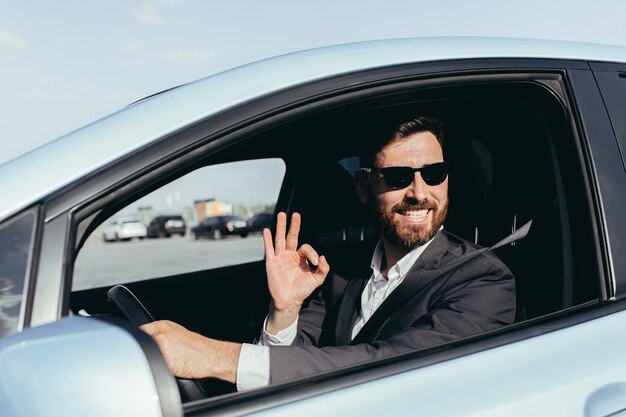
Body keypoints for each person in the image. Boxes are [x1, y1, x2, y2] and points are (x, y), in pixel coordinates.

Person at [141, 116, 516, 391]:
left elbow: (395, 365)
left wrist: (215, 356)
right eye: (399, 178)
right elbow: (296, 364)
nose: (420, 193)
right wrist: (284, 311)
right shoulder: (339, 271)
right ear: (363, 188)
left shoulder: (483, 280)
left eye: (434, 174)